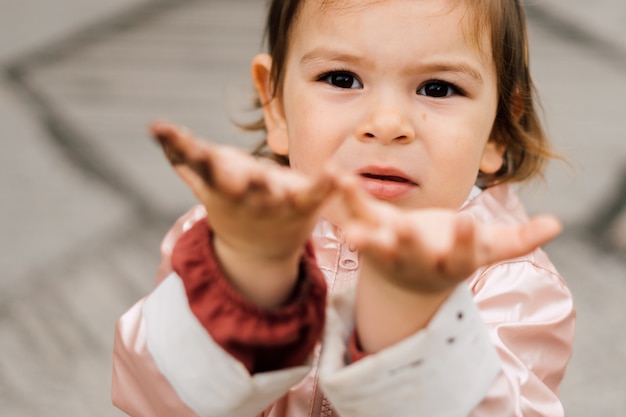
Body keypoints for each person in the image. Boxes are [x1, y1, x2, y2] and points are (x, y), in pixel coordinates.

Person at [111, 0, 575, 416]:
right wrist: (252, 273)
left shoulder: (511, 281)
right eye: (341, 79)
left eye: (437, 88)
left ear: (497, 128)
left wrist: (407, 315)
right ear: (276, 106)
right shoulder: (227, 237)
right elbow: (159, 401)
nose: (388, 124)